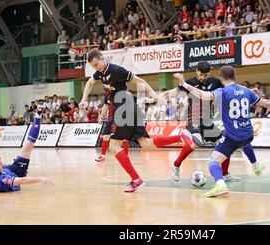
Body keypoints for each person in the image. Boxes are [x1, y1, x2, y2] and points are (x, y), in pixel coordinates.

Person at [79, 49, 193, 192]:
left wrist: (155, 96)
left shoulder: (116, 70)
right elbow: (90, 83)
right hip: (129, 109)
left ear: (102, 58)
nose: (96, 68)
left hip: (125, 109)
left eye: (97, 64)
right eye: (93, 66)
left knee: (113, 146)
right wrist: (84, 100)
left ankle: (136, 180)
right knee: (147, 144)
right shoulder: (100, 73)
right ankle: (181, 136)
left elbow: (141, 81)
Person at [173, 67, 270, 197]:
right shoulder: (246, 91)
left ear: (222, 78)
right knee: (243, 142)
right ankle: (256, 166)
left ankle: (220, 184)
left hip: (233, 137)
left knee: (213, 163)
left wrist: (184, 84)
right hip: (249, 134)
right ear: (235, 77)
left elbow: (203, 95)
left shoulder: (222, 92)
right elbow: (267, 103)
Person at [161, 61, 258, 182]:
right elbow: (172, 93)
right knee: (196, 142)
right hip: (194, 119)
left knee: (224, 143)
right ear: (197, 71)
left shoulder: (216, 83)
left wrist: (249, 90)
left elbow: (232, 87)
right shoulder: (189, 83)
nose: (203, 77)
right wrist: (156, 97)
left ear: (209, 74)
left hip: (207, 121)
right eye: (201, 75)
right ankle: (176, 166)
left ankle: (225, 173)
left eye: (205, 75)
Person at [0, 105, 53, 193]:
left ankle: (37, 116)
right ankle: (38, 117)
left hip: (10, 169)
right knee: (30, 143)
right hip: (17, 172)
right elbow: (22, 180)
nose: (2, 164)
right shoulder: (3, 180)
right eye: (0, 164)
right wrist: (41, 178)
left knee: (28, 143)